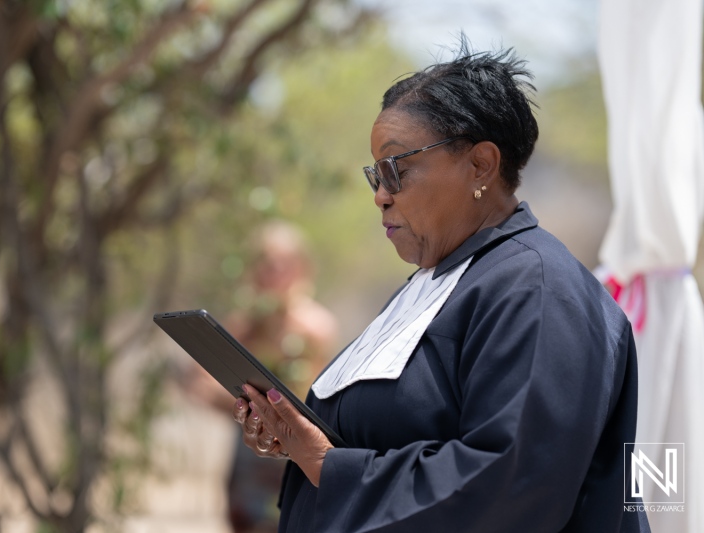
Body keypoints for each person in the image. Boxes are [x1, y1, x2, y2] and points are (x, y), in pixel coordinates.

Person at [231, 39, 652, 533]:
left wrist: (328, 465)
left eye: (397, 170)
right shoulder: (432, 286)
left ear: (480, 165)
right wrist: (294, 438)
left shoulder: (537, 290)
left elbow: (510, 483)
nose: (381, 197)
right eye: (375, 176)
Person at [186, 221, 337, 532]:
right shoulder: (243, 326)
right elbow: (200, 384)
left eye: (284, 264)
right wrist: (248, 405)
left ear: (301, 269)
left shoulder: (316, 328)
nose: (275, 272)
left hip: (296, 455)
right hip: (248, 453)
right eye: (267, 264)